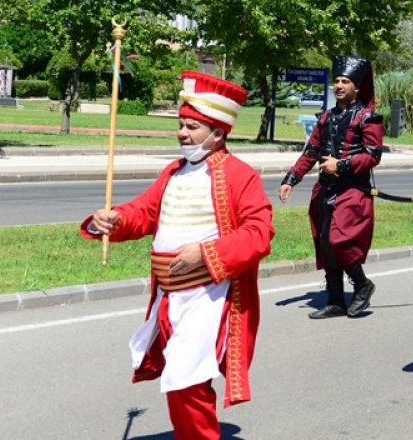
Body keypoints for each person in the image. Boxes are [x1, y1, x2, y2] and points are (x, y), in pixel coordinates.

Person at [81, 71, 273, 439]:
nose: (183, 133)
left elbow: (259, 234)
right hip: (168, 297)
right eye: (181, 125)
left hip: (209, 296)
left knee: (186, 380)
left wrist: (205, 254)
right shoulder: (173, 171)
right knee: (180, 381)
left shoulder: (240, 175)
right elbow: (145, 212)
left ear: (218, 133)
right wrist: (114, 219)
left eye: (193, 127)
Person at [279, 56, 383, 319]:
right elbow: (311, 152)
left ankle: (362, 284)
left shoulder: (368, 117)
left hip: (353, 190)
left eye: (344, 81)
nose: (338, 85)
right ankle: (336, 300)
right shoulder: (326, 117)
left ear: (356, 87)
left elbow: (373, 155)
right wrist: (291, 179)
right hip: (326, 189)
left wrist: (342, 165)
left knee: (339, 240)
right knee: (325, 243)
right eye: (336, 81)